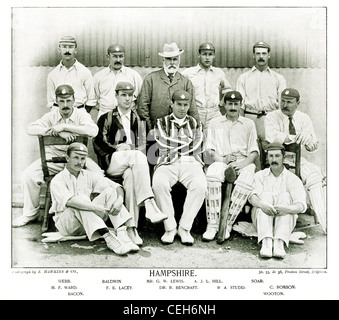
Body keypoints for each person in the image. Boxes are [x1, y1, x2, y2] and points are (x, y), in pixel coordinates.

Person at [12, 84, 102, 228]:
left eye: (68, 100)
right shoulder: (51, 116)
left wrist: (65, 127)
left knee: (99, 176)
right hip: (53, 161)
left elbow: (93, 130)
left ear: (74, 100)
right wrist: (55, 131)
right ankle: (30, 213)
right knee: (27, 176)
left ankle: (95, 213)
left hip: (77, 162)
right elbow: (30, 128)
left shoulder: (81, 114)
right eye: (61, 101)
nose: (65, 105)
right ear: (56, 101)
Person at [93, 81, 167, 245]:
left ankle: (131, 228)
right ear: (117, 96)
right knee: (136, 156)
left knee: (132, 176)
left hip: (132, 166)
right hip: (112, 163)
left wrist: (131, 149)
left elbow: (145, 146)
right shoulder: (107, 118)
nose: (127, 99)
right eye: (123, 95)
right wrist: (118, 149)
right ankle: (148, 203)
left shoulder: (138, 119)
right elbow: (98, 143)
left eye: (130, 95)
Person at [50, 142, 139, 255]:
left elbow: (116, 187)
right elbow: (70, 201)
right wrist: (96, 208)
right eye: (76, 158)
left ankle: (123, 235)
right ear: (67, 158)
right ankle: (109, 239)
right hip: (67, 225)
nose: (79, 162)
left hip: (88, 224)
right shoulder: (58, 180)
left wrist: (119, 201)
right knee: (80, 200)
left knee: (110, 191)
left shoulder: (88, 175)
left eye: (82, 158)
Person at [265, 88, 326, 233]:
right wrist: (298, 136)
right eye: (283, 101)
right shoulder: (272, 116)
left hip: (298, 159)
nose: (284, 105)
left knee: (315, 177)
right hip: (276, 159)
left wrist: (310, 141)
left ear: (297, 103)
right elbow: (273, 137)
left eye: (289, 102)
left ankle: (326, 223)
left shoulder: (303, 118)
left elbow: (312, 145)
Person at [152, 90, 207, 245]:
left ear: (189, 105)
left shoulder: (195, 122)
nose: (182, 108)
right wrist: (186, 142)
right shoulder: (161, 122)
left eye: (185, 105)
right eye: (179, 104)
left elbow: (199, 144)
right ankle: (169, 228)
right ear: (172, 104)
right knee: (158, 183)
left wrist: (175, 145)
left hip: (190, 162)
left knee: (200, 185)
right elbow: (162, 142)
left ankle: (184, 228)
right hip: (167, 162)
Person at [203, 90, 259, 241]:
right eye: (230, 104)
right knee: (212, 176)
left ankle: (227, 224)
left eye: (236, 104)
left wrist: (241, 164)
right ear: (224, 105)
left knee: (246, 180)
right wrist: (223, 160)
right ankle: (213, 225)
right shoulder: (215, 122)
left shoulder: (249, 124)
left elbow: (254, 152)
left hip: (243, 161)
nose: (233, 107)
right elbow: (209, 149)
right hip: (221, 160)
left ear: (241, 105)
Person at [248, 142, 307, 259]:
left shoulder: (292, 179)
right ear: (267, 158)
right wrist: (262, 204)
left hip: (285, 219)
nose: (274, 159)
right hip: (261, 219)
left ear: (283, 157)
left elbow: (301, 205)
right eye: (271, 156)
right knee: (265, 196)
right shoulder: (260, 176)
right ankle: (266, 242)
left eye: (277, 156)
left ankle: (279, 243)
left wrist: (287, 208)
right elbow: (251, 197)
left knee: (285, 196)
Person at [137, 42, 200, 133]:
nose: (172, 62)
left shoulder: (186, 82)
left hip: (180, 133)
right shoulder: (150, 79)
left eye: (175, 59)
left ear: (179, 60)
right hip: (155, 132)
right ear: (163, 60)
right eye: (169, 59)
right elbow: (143, 108)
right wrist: (151, 129)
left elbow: (192, 109)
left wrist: (196, 129)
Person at [236, 41, 286, 140]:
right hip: (250, 117)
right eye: (258, 53)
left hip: (270, 118)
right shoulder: (244, 78)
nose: (261, 56)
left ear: (269, 55)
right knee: (250, 150)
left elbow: (282, 104)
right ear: (254, 55)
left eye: (264, 53)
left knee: (270, 150)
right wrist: (241, 124)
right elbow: (239, 104)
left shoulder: (278, 78)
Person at [182, 42, 232, 129]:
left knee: (214, 141)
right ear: (199, 55)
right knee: (195, 140)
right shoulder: (188, 73)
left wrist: (221, 104)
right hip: (196, 113)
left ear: (214, 56)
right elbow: (180, 91)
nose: (207, 58)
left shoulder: (218, 73)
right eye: (204, 54)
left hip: (214, 114)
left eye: (210, 54)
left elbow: (227, 90)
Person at [93, 44, 143, 121]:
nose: (118, 60)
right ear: (108, 56)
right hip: (105, 116)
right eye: (115, 56)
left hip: (127, 116)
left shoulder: (133, 75)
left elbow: (140, 98)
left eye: (121, 56)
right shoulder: (99, 76)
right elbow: (95, 98)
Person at [47, 36, 96, 113]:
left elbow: (91, 100)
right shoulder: (52, 74)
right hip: (58, 112)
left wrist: (81, 115)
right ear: (59, 50)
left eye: (70, 47)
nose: (67, 50)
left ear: (75, 50)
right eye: (64, 47)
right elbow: (50, 101)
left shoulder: (85, 72)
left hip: (79, 111)